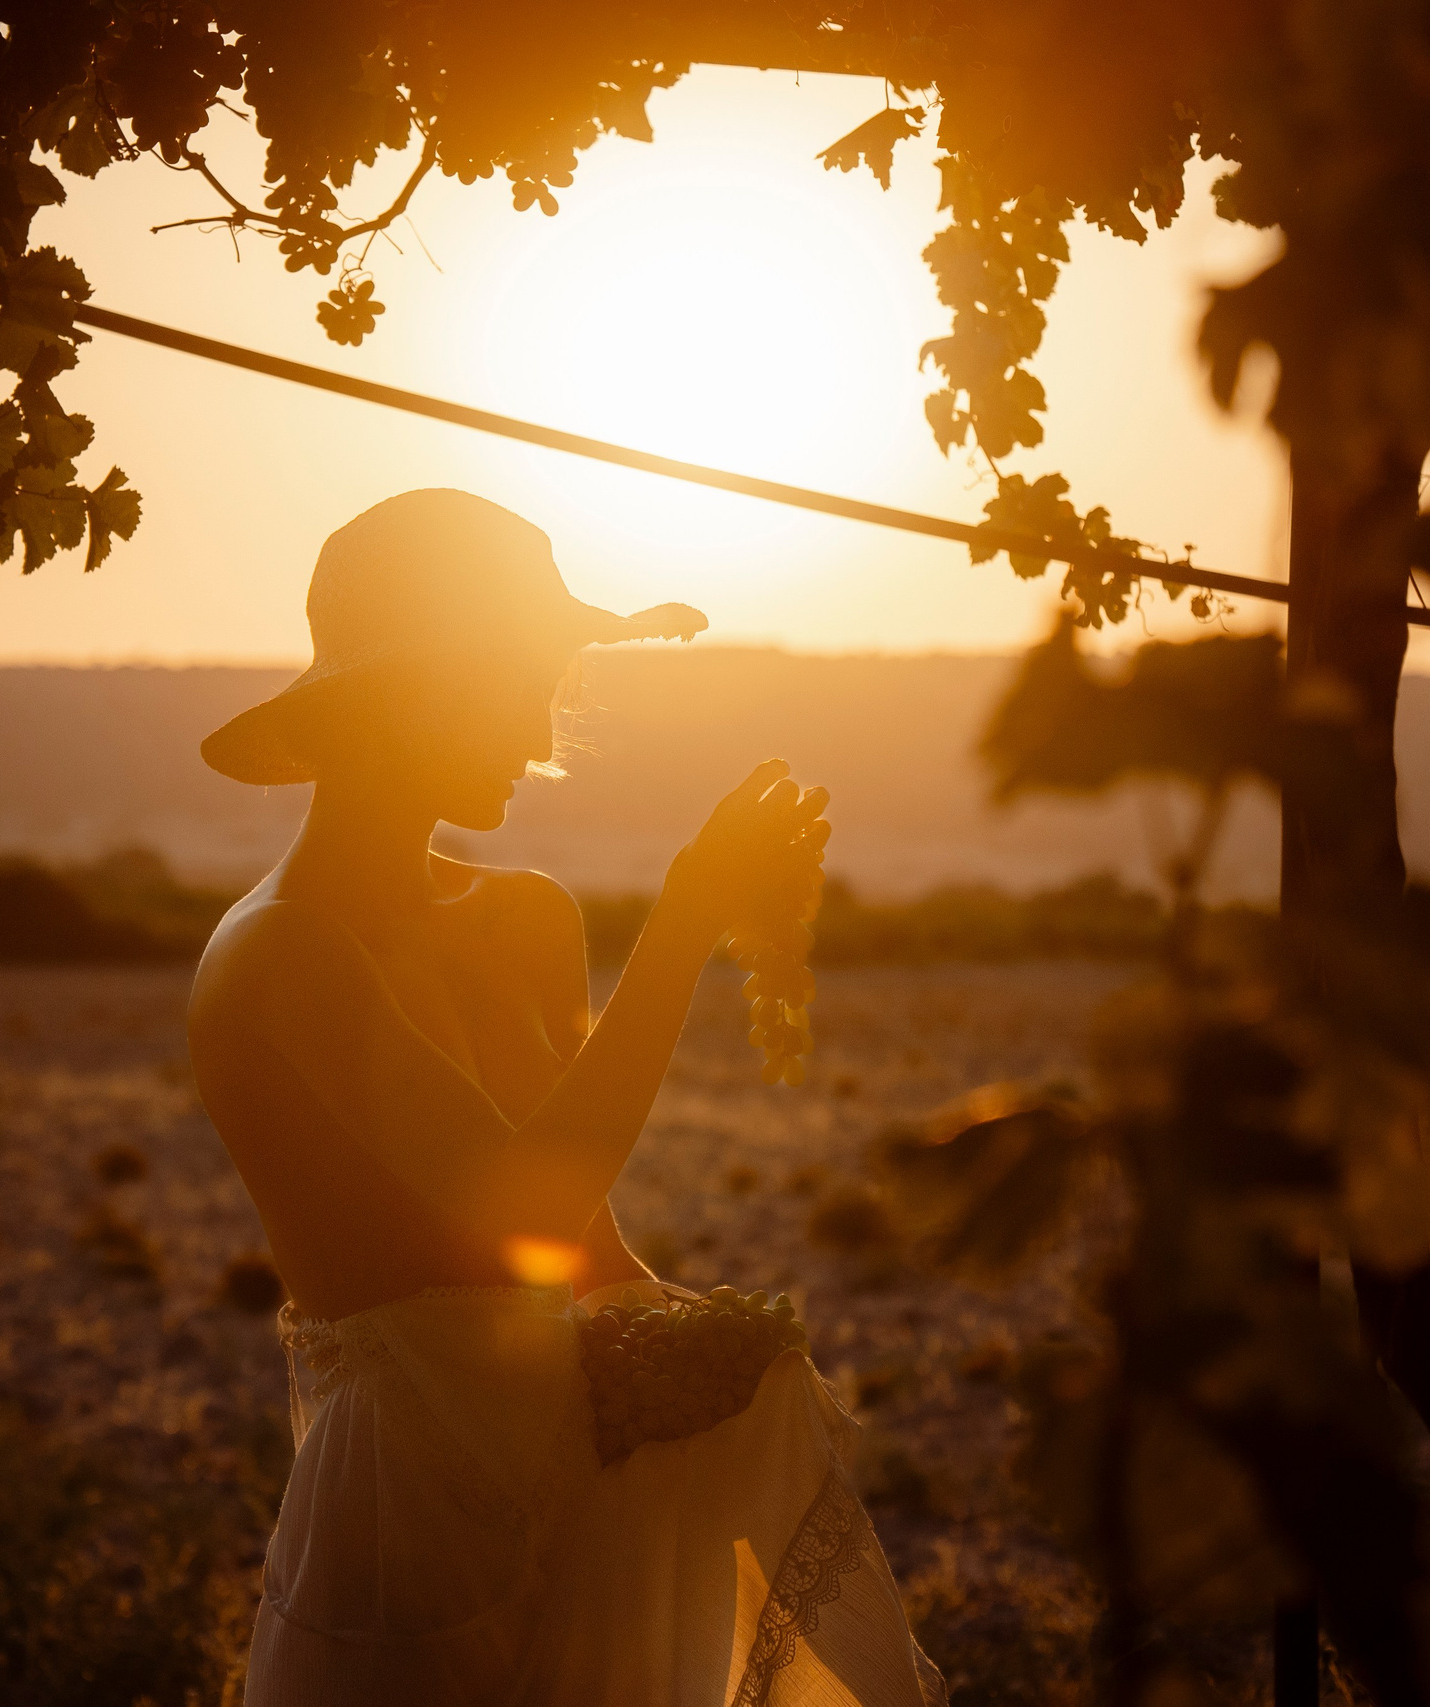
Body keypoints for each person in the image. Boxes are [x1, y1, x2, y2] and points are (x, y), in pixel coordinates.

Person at [188, 489, 946, 1706]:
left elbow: (577, 1247)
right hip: (405, 1521)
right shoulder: (281, 952)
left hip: (591, 1482)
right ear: (416, 690)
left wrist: (701, 1340)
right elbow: (511, 1204)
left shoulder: (525, 917)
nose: (539, 724)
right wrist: (683, 925)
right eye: (512, 683)